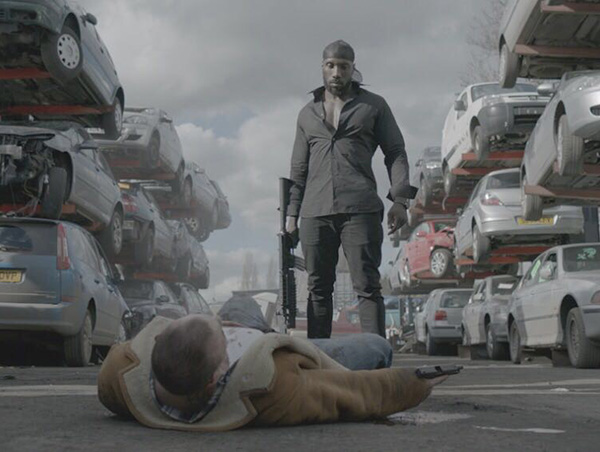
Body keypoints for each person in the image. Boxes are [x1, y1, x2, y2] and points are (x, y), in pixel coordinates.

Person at [98, 299, 448, 432]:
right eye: (225, 348)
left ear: (160, 339)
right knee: (376, 346)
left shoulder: (121, 373)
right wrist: (414, 382)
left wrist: (221, 329)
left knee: (239, 303)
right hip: (282, 350)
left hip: (241, 333)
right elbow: (353, 393)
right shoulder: (272, 388)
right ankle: (269, 329)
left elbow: (112, 381)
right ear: (215, 380)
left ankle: (244, 320)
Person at [286, 40, 417, 339]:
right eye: (330, 65)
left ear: (352, 68)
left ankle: (377, 360)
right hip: (315, 212)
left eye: (343, 66)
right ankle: (319, 361)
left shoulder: (374, 106)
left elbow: (396, 152)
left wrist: (400, 201)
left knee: (368, 286)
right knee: (318, 289)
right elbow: (298, 170)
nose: (336, 72)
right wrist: (291, 215)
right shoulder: (306, 114)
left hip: (360, 209)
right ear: (322, 67)